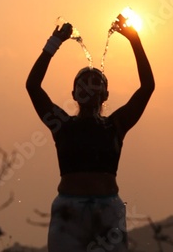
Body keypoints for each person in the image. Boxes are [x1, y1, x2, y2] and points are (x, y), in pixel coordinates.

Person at [26, 15, 155, 251]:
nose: (90, 87)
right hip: (68, 211)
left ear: (105, 95)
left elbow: (147, 87)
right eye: (84, 83)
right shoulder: (61, 125)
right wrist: (53, 43)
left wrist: (134, 39)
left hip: (108, 210)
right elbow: (33, 86)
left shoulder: (116, 125)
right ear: (73, 94)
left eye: (97, 83)